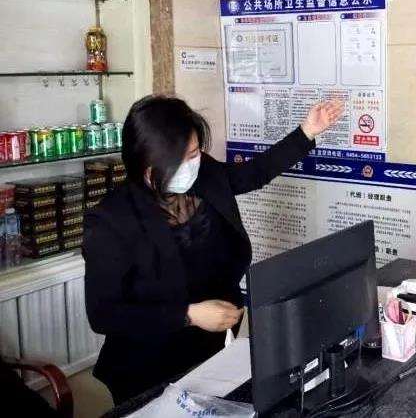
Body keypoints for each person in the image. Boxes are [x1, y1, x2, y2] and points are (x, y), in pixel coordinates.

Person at [83, 95, 343, 404]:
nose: (193, 162)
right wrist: (189, 315)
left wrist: (306, 131)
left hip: (210, 349)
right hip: (147, 364)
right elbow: (104, 314)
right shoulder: (111, 221)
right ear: (148, 166)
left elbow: (253, 174)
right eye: (184, 157)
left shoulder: (203, 174)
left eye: (195, 152)